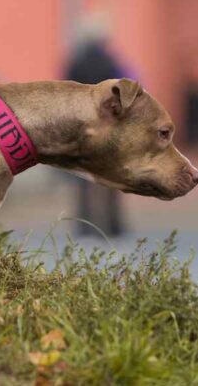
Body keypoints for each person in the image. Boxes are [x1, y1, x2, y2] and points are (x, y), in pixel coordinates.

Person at [65, 17, 128, 237]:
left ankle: (84, 225)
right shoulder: (111, 62)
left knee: (83, 178)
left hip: (82, 126)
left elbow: (66, 94)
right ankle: (113, 225)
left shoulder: (76, 63)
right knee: (112, 177)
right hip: (109, 126)